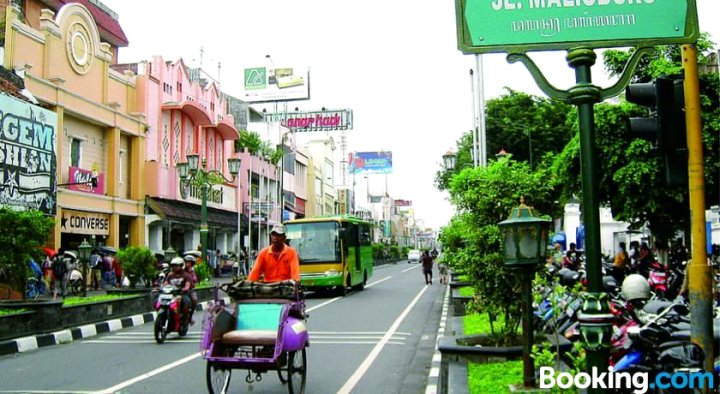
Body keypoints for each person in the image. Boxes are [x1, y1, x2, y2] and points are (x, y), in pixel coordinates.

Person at [164, 257, 193, 323]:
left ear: (181, 266)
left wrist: (183, 289)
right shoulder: (170, 275)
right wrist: (163, 287)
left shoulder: (186, 275)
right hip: (171, 294)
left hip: (182, 294)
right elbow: (165, 283)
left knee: (186, 304)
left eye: (176, 265)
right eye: (173, 266)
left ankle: (185, 318)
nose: (175, 267)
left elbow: (187, 286)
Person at [183, 255, 199, 323]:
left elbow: (195, 280)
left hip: (189, 290)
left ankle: (190, 317)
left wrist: (192, 283)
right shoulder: (180, 270)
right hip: (177, 290)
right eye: (186, 262)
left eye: (189, 262)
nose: (187, 264)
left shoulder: (192, 272)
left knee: (194, 300)